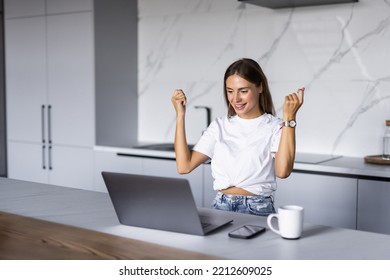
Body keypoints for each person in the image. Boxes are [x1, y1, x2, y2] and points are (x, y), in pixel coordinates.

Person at [171, 58, 304, 216]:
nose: (235, 99)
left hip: (257, 208)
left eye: (243, 91)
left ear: (260, 87)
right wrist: (180, 115)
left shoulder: (275, 126)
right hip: (220, 205)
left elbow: (283, 171)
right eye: (230, 91)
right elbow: (184, 166)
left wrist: (289, 118)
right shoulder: (219, 126)